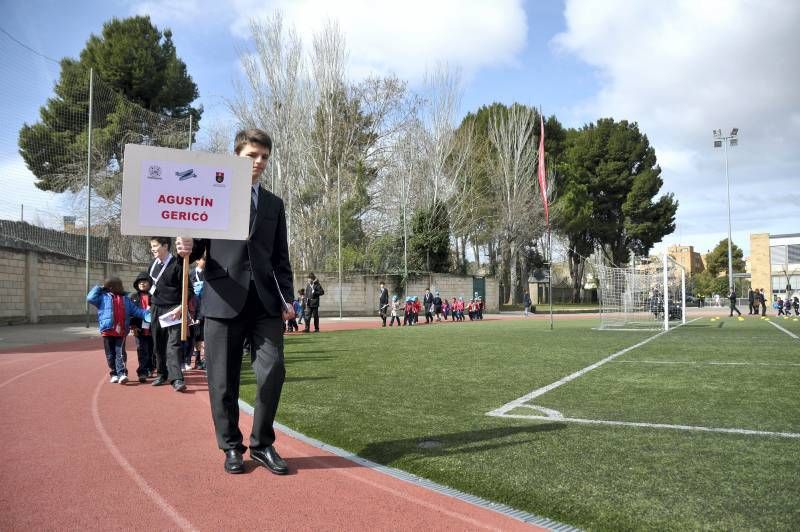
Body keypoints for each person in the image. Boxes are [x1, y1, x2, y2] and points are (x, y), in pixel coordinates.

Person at [178, 128, 295, 476]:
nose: (258, 162)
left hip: (265, 304)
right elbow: (198, 244)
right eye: (252, 156)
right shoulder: (214, 194)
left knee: (273, 371)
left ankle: (262, 444)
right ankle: (231, 446)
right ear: (237, 157)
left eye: (264, 157)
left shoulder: (274, 204)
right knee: (222, 381)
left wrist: (287, 298)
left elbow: (281, 258)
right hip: (222, 299)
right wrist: (186, 244)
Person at [87, 277, 150, 384]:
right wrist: (101, 287)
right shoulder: (102, 298)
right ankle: (114, 373)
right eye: (118, 286)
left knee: (120, 353)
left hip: (121, 332)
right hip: (107, 330)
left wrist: (148, 315)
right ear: (110, 287)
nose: (121, 288)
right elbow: (90, 298)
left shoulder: (126, 300)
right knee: (110, 354)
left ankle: (122, 374)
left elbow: (137, 311)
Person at [148, 236, 189, 392]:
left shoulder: (178, 264)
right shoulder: (152, 265)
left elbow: (188, 290)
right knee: (158, 344)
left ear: (165, 246)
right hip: (156, 309)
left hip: (173, 310)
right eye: (151, 246)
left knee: (173, 345)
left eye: (155, 245)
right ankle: (161, 374)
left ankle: (177, 379)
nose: (152, 249)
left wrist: (180, 307)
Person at [129, 272, 155, 382]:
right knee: (141, 350)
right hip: (139, 328)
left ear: (149, 283)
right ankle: (142, 372)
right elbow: (131, 313)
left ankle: (150, 368)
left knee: (153, 350)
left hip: (153, 328)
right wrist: (133, 326)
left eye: (144, 281)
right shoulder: (133, 297)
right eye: (140, 282)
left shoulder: (154, 296)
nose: (142, 283)